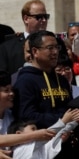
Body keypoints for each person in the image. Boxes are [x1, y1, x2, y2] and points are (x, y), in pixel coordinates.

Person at [12, 30, 74, 159]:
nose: (56, 52)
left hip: (66, 144)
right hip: (40, 149)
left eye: (57, 47)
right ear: (35, 51)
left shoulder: (61, 80)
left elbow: (70, 108)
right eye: (50, 48)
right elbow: (27, 116)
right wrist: (62, 120)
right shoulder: (25, 81)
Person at [8, 108, 79, 159]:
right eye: (33, 129)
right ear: (18, 134)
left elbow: (56, 136)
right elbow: (48, 134)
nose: (37, 131)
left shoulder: (39, 147)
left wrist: (76, 121)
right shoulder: (19, 150)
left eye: (36, 129)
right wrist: (63, 121)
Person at [0, 0, 49, 74]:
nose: (44, 20)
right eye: (39, 17)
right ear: (26, 19)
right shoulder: (7, 48)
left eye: (46, 16)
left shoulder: (55, 44)